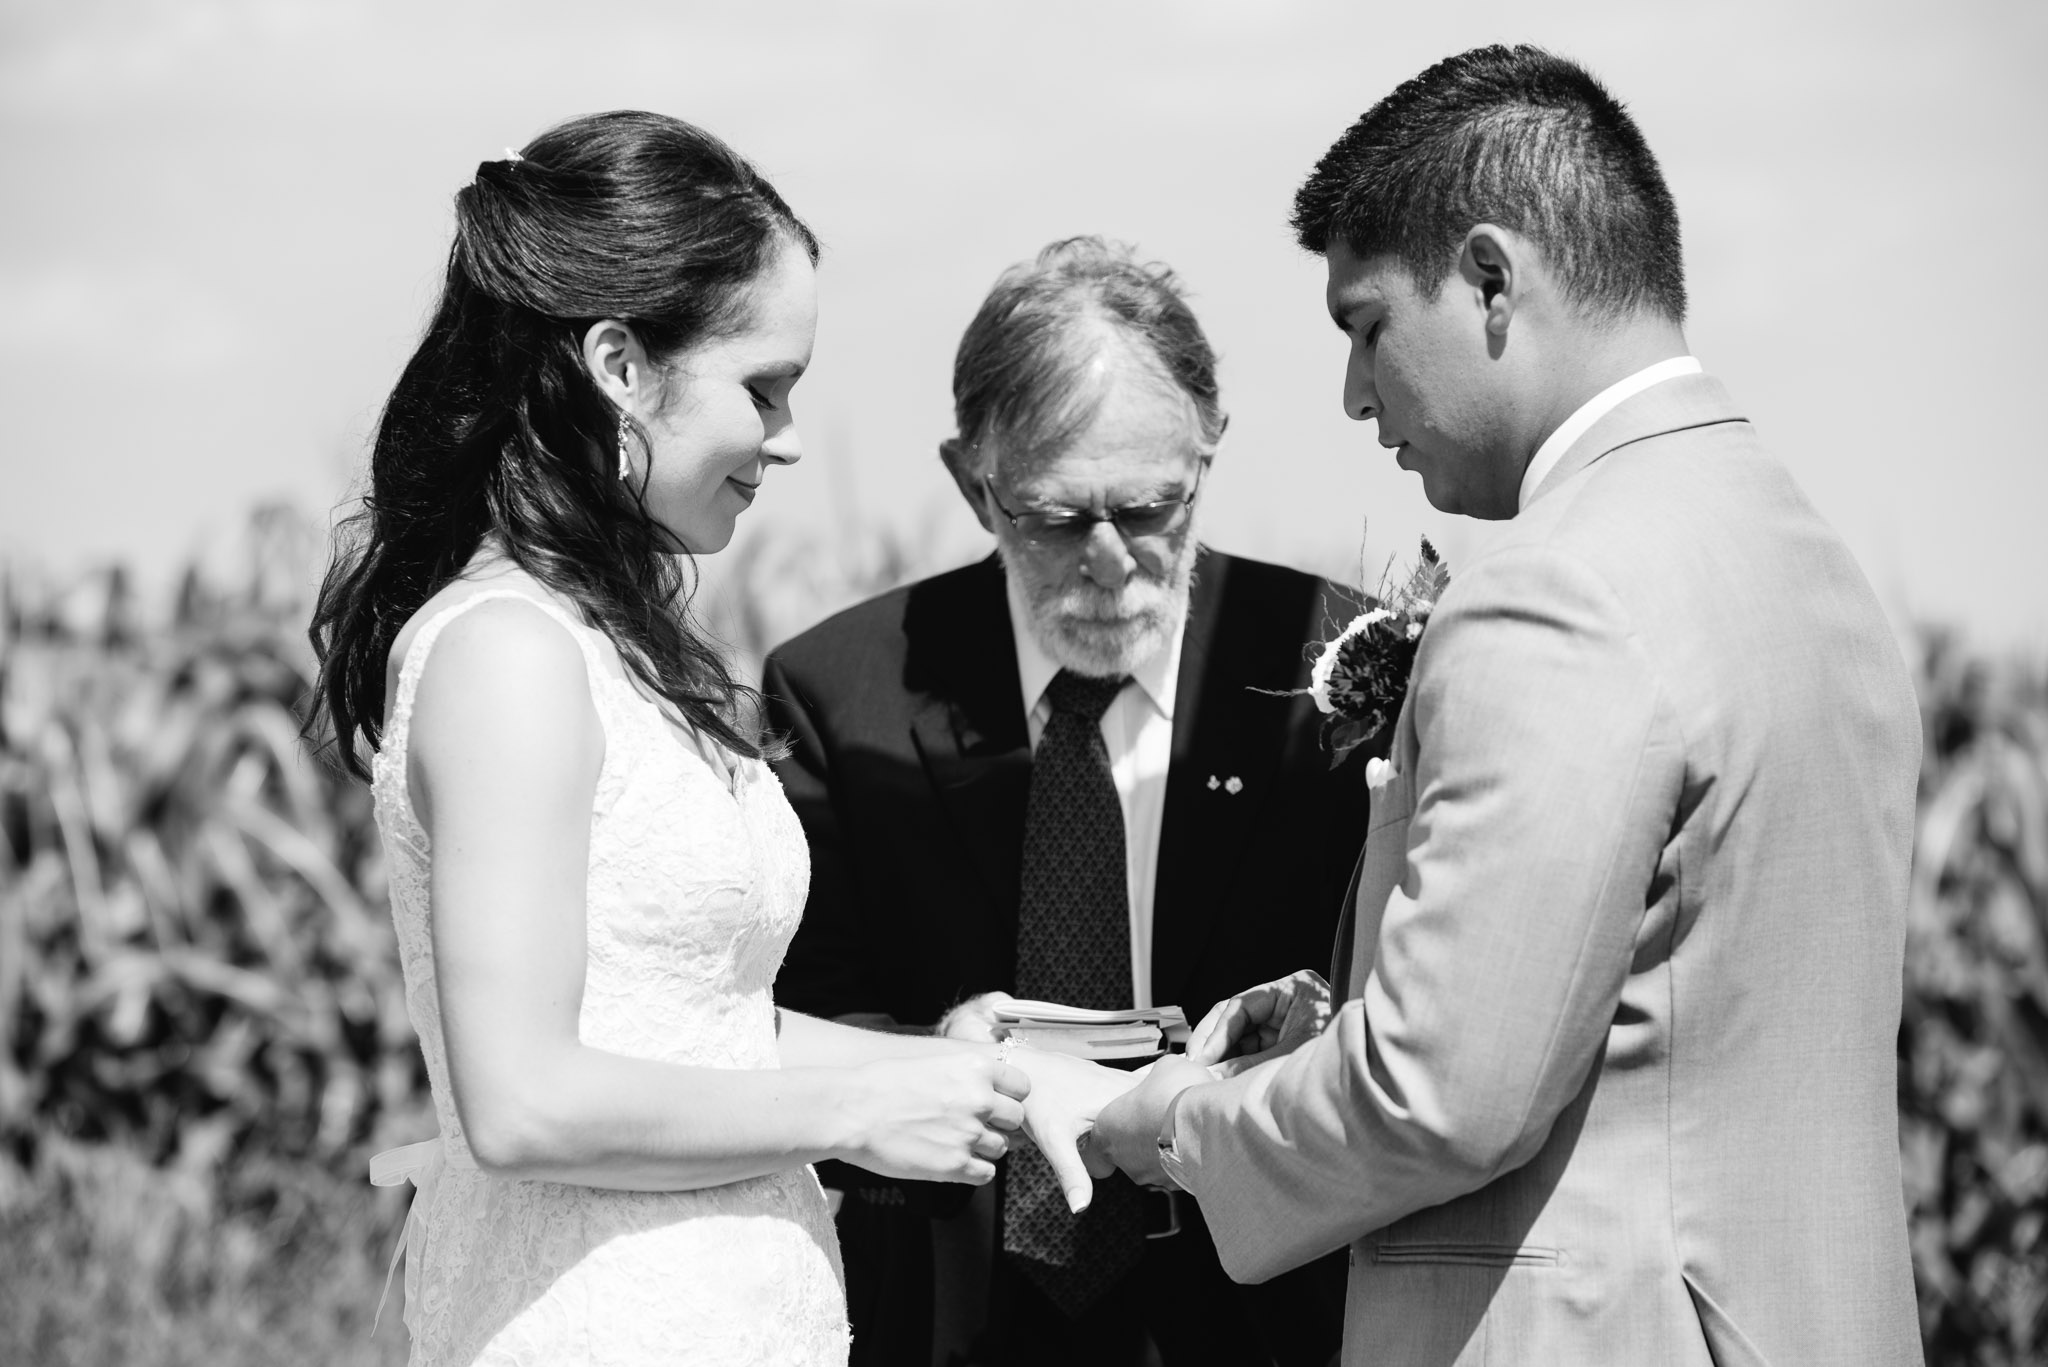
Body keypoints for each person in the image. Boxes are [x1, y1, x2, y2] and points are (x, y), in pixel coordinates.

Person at [1091, 45, 1925, 1366]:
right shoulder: (1806, 559)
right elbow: (1681, 1008)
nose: (1358, 398)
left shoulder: (1557, 592)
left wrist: (1187, 1119)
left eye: (1366, 328)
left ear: (1491, 278)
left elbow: (1443, 1096)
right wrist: (1338, 1018)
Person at [307, 112, 1123, 1367]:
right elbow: (522, 1100)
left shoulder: (613, 645)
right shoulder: (508, 655)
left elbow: (693, 1020)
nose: (786, 435)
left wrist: (930, 1059)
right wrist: (855, 1109)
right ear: (619, 364)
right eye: (762, 387)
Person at [765, 237, 1369, 1367]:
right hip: (955, 1313)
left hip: (1272, 1311)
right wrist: (936, 1056)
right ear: (970, 480)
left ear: (1209, 451)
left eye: (1150, 508)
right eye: (1053, 518)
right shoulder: (841, 692)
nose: (1109, 562)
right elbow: (780, 1035)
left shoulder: (1330, 665)